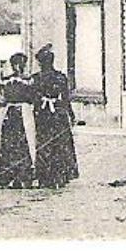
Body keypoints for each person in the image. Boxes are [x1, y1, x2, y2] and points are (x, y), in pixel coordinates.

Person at [31, 46, 79, 189]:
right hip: (58, 113)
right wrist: (71, 114)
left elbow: (34, 98)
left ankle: (44, 176)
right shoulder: (61, 77)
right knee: (60, 143)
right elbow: (65, 98)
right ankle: (60, 175)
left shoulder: (36, 78)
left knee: (44, 143)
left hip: (43, 114)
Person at [0, 52, 36, 188]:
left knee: (10, 143)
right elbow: (32, 97)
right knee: (24, 142)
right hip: (23, 112)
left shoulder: (6, 81)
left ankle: (10, 175)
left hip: (9, 113)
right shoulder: (28, 81)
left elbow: (3, 98)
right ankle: (23, 174)